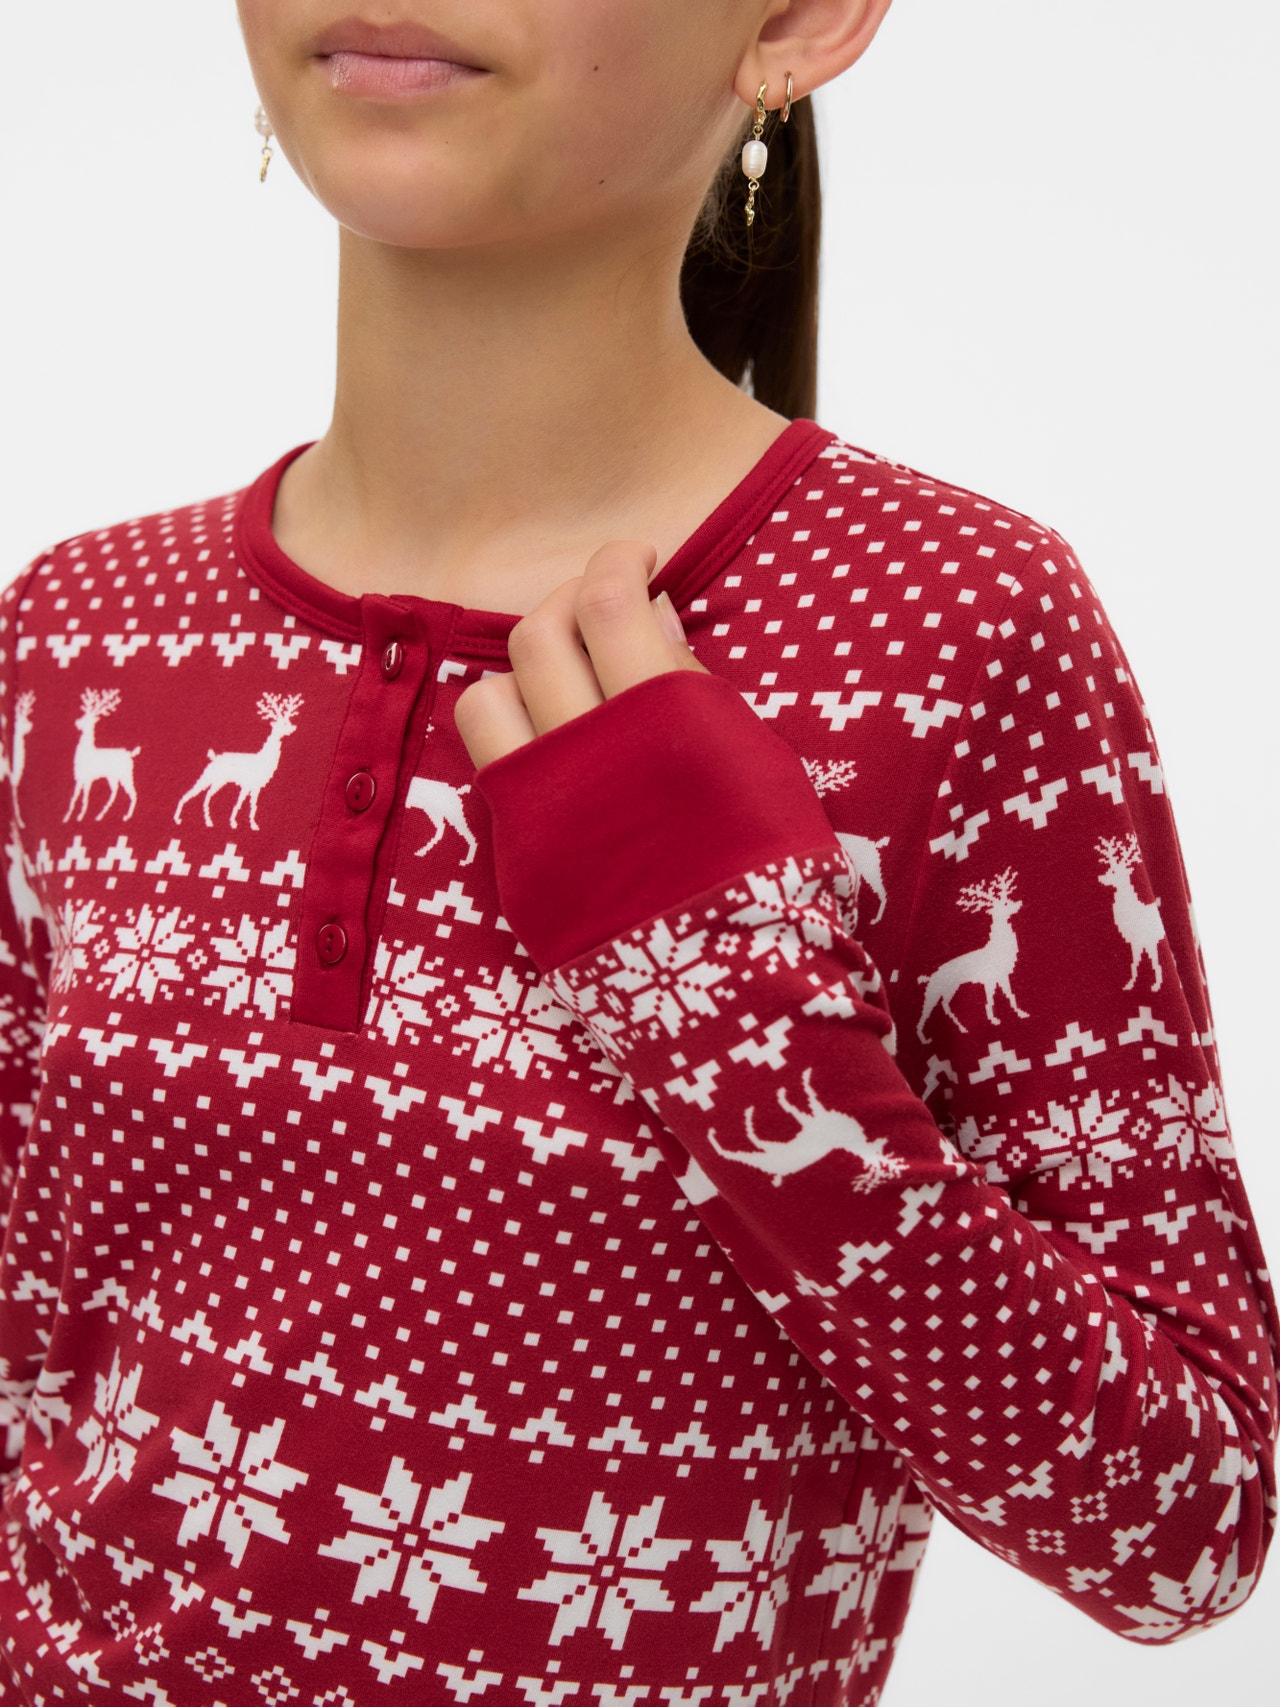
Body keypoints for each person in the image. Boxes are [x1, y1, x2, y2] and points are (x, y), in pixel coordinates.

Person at [0, 1, 1275, 1702]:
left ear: (798, 21)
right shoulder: (80, 631)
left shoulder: (955, 634)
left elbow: (1184, 1526)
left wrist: (728, 1000)